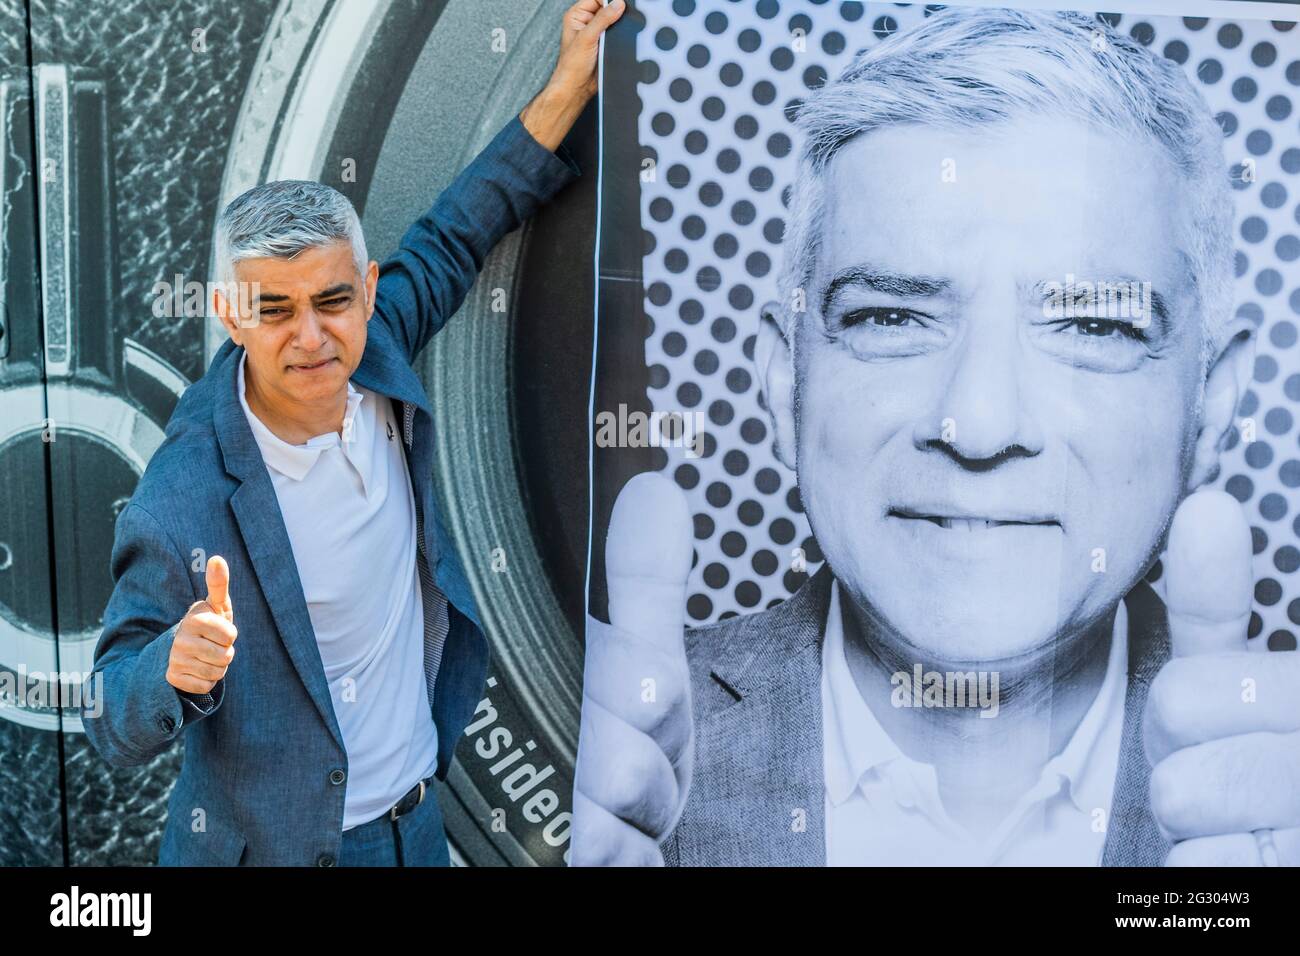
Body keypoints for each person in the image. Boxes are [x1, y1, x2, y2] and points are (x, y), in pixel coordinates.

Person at [573, 6, 1299, 867]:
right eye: (891, 316)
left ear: (1212, 405)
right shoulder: (617, 761)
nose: (981, 424)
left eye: (1093, 328)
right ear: (783, 383)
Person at [82, 0, 626, 867]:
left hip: (416, 835)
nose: (310, 336)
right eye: (274, 309)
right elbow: (110, 712)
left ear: (367, 292)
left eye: (332, 300)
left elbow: (459, 228)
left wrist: (567, 82)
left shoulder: (374, 351)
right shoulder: (186, 491)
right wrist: (171, 672)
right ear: (230, 315)